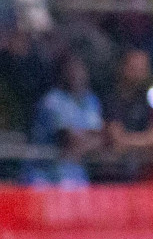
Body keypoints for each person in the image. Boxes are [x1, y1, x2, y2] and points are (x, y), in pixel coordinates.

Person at [28, 52, 104, 187]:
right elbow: (69, 140)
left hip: (77, 175)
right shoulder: (52, 100)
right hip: (46, 178)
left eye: (80, 69)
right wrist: (96, 140)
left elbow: (101, 136)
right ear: (62, 73)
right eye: (71, 69)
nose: (76, 74)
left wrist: (95, 140)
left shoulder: (91, 100)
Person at [105, 48, 153, 179]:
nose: (138, 73)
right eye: (134, 68)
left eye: (142, 69)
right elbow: (115, 138)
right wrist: (146, 141)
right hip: (114, 176)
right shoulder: (112, 99)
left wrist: (128, 141)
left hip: (145, 175)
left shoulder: (152, 97)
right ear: (123, 68)